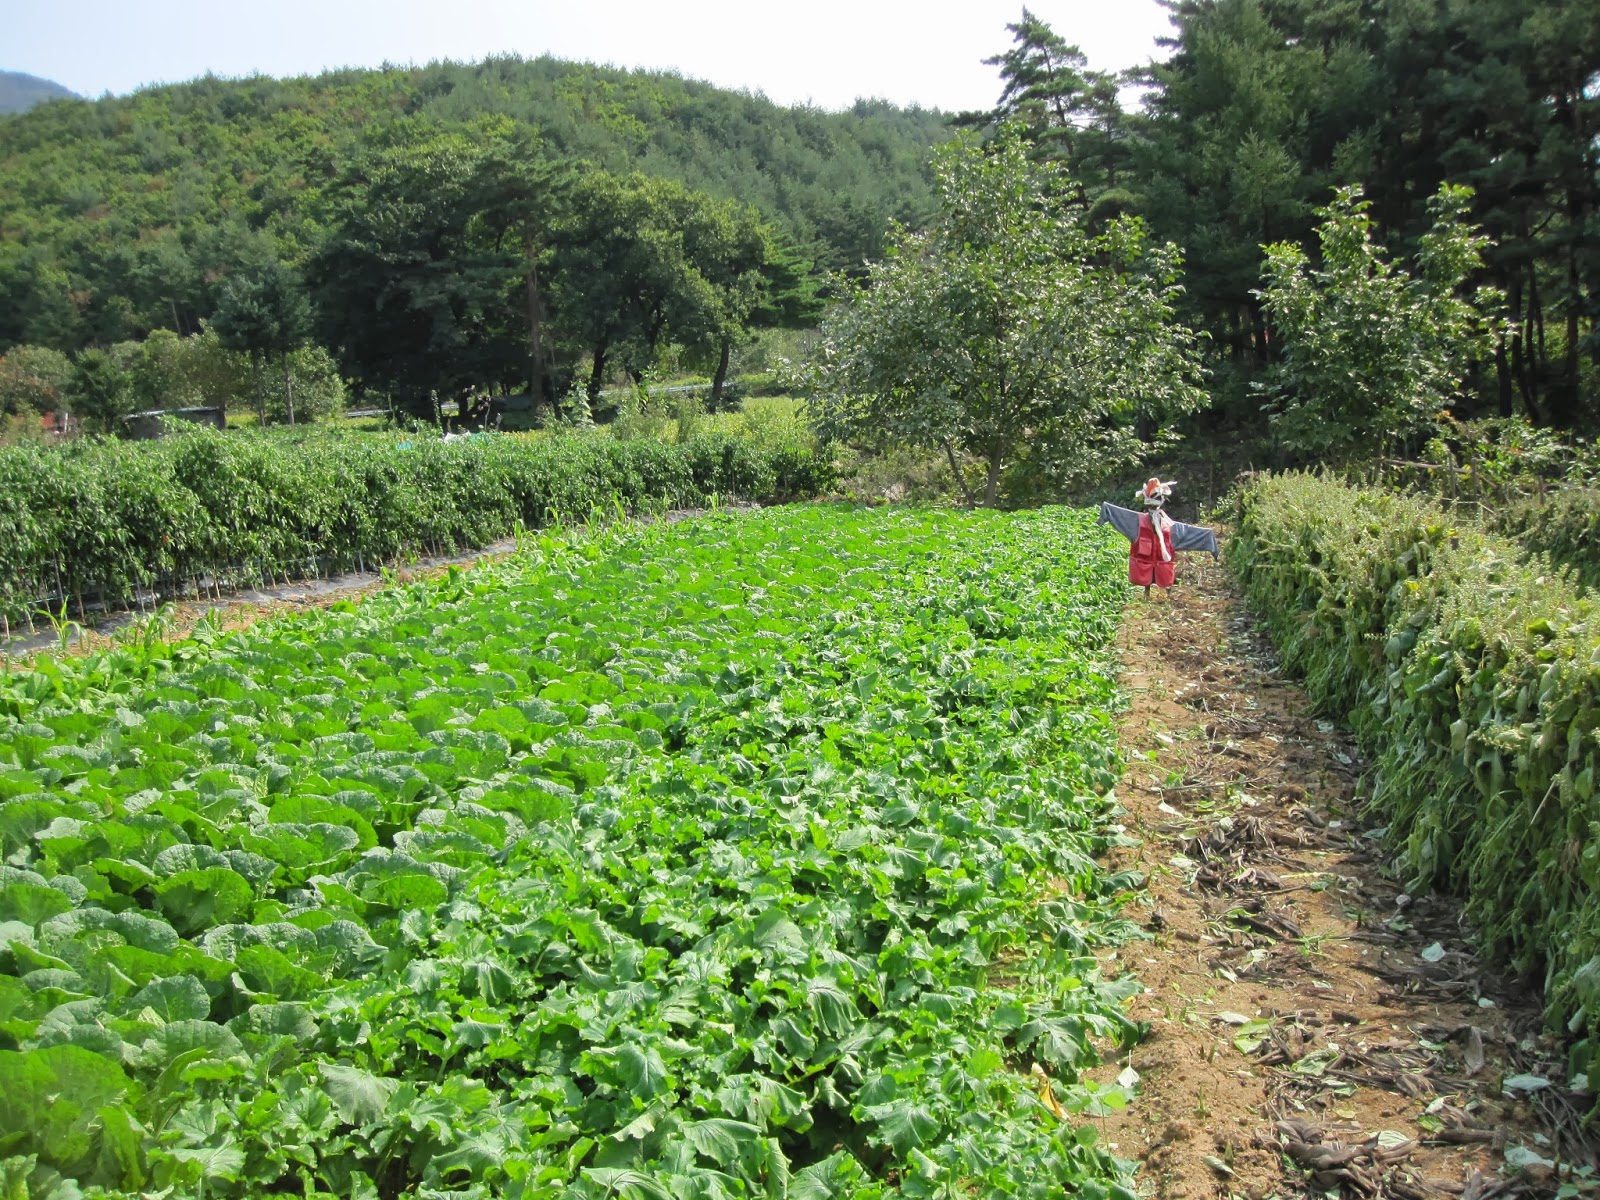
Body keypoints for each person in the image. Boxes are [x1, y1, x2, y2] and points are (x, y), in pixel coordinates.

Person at [1097, 478, 1220, 598]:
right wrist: (1105, 513)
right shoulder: (1137, 523)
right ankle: (1149, 594)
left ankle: (1166, 595)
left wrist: (1209, 539)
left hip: (1163, 569)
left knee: (1165, 574)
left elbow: (1194, 534)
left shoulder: (1171, 528)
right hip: (1143, 568)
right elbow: (1113, 511)